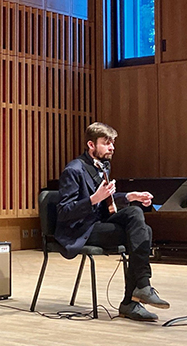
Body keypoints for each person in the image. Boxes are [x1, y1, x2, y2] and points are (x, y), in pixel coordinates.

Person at [55, 122, 169, 321]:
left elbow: (105, 202)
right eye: (106, 143)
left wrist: (130, 196)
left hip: (98, 222)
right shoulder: (73, 170)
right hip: (81, 229)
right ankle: (132, 299)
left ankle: (141, 287)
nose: (112, 147)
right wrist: (93, 199)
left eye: (113, 143)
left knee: (134, 213)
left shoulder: (103, 166)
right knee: (145, 233)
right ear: (91, 145)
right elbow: (64, 212)